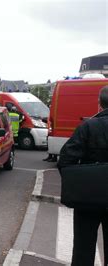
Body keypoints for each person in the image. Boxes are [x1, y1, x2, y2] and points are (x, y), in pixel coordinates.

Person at [57, 86, 108, 266]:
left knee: (83, 249)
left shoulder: (88, 126)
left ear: (99, 105)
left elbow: (64, 160)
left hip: (89, 198)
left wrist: (78, 184)